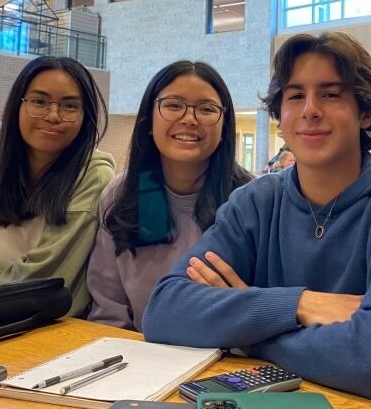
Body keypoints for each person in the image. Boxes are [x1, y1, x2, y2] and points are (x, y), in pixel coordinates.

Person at [141, 32, 371, 401]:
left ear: (365, 112)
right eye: (296, 95)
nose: (310, 110)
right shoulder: (254, 202)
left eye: (331, 94)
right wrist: (300, 305)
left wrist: (246, 333)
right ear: (279, 113)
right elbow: (164, 311)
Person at [0, 56, 115, 317]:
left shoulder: (92, 177)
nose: (53, 115)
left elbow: (47, 280)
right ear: (17, 105)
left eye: (70, 106)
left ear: (85, 116)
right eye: (39, 101)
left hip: (55, 332)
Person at [86, 61, 252, 331]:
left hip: (229, 362)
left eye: (207, 109)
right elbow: (109, 312)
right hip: (141, 358)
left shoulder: (249, 200)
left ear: (224, 126)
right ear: (149, 120)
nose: (189, 118)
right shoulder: (122, 195)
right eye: (174, 105)